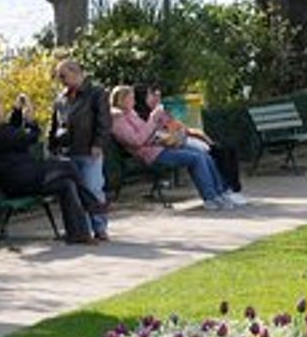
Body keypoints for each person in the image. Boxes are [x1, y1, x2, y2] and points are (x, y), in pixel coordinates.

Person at [0, 95, 99, 245]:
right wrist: (31, 120)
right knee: (67, 165)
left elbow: (13, 131)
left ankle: (78, 234)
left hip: (18, 181)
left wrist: (18, 110)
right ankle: (92, 204)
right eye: (0, 108)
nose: (3, 110)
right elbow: (31, 137)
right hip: (23, 181)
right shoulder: (1, 134)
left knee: (66, 184)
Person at [108, 85, 246, 211]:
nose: (134, 101)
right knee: (196, 158)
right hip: (151, 155)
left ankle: (220, 193)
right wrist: (152, 119)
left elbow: (148, 132)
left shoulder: (131, 114)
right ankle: (210, 198)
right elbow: (137, 141)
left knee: (204, 154)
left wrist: (161, 128)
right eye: (130, 98)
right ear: (121, 100)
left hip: (159, 147)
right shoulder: (117, 119)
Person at [141, 84, 245, 198]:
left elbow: (179, 127)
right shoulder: (149, 116)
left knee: (227, 150)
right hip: (173, 145)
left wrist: (203, 137)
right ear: (145, 98)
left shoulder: (162, 111)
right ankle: (224, 191)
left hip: (182, 139)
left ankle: (230, 189)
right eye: (153, 95)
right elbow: (156, 136)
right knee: (208, 154)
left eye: (159, 96)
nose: (156, 99)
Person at [50, 59, 111, 242]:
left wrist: (98, 144)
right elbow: (55, 124)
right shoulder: (61, 97)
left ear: (76, 72)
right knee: (75, 192)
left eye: (63, 76)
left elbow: (104, 121)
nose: (61, 80)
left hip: (88, 149)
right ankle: (81, 230)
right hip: (67, 151)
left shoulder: (96, 93)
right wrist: (52, 145)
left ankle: (100, 227)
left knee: (93, 188)